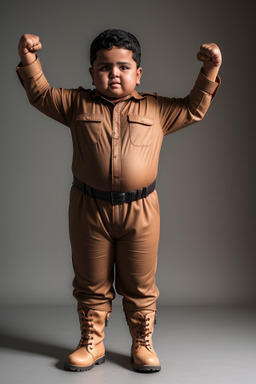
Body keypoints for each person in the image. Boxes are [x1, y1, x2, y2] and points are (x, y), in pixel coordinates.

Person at [16, 29, 221, 373]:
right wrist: (28, 59)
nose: (114, 73)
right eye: (104, 67)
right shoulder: (76, 104)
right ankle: (91, 343)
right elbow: (40, 94)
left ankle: (142, 343)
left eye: (124, 67)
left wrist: (211, 68)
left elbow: (194, 108)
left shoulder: (157, 109)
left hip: (141, 210)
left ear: (138, 73)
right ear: (92, 72)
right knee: (90, 281)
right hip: (89, 208)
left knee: (140, 283)